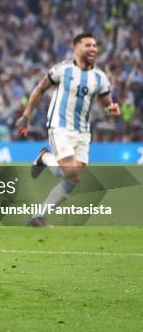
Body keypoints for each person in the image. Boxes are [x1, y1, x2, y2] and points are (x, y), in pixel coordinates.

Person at [16, 32, 121, 227]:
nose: (93, 49)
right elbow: (40, 89)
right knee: (71, 173)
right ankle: (45, 157)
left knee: (73, 180)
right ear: (76, 48)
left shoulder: (100, 77)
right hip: (60, 127)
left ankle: (37, 216)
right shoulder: (62, 70)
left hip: (83, 132)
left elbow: (106, 100)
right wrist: (26, 114)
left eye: (95, 46)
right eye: (88, 45)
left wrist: (111, 107)